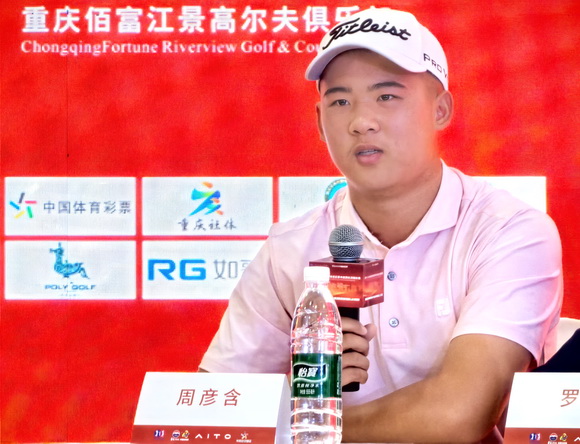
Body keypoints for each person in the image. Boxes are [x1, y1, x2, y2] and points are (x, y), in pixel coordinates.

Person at [199, 7, 563, 443]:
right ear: (319, 123)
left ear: (441, 109)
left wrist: (308, 424)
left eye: (386, 96)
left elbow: (457, 415)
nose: (361, 122)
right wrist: (306, 387)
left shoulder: (508, 231)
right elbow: (211, 413)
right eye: (340, 101)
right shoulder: (290, 248)